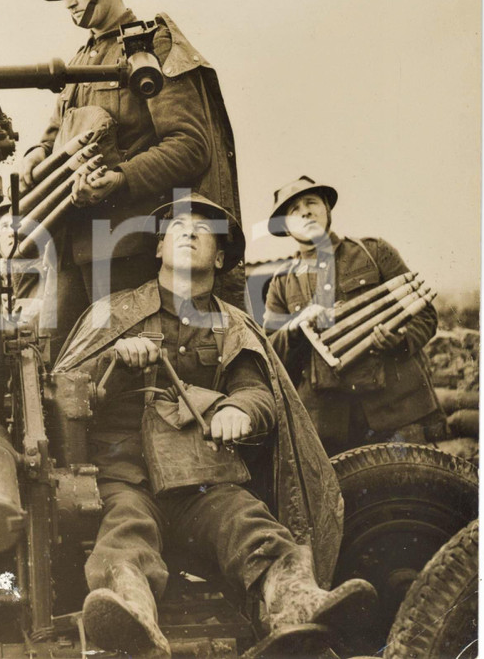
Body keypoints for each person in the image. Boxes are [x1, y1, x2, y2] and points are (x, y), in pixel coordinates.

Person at [52, 193, 375, 657]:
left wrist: (240, 410)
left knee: (249, 524)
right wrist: (114, 359)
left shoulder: (234, 327)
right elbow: (67, 393)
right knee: (125, 532)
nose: (189, 233)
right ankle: (131, 614)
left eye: (204, 231)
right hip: (125, 479)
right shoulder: (113, 314)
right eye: (177, 228)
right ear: (159, 249)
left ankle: (296, 605)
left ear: (220, 257)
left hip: (203, 483)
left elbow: (262, 393)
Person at [17, 0, 243, 349]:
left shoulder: (148, 44)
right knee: (61, 377)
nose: (68, 1)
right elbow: (59, 131)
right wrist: (36, 152)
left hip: (127, 252)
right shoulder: (80, 60)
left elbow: (191, 145)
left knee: (128, 378)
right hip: (70, 251)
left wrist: (120, 179)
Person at [262, 176, 445, 455]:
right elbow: (270, 354)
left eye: (312, 203)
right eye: (294, 210)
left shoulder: (373, 251)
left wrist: (400, 339)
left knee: (414, 490)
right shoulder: (281, 283)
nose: (305, 212)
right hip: (331, 427)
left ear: (327, 210)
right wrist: (295, 328)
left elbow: (426, 315)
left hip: (399, 411)